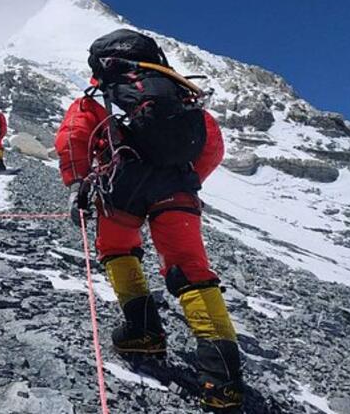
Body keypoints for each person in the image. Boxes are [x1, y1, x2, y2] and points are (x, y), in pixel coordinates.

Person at [54, 29, 243, 411]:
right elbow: (211, 144)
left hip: (120, 190)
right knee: (189, 268)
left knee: (117, 249)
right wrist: (186, 184)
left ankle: (143, 332)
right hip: (176, 188)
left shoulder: (100, 98)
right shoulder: (178, 93)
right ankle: (224, 382)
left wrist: (78, 186)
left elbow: (73, 137)